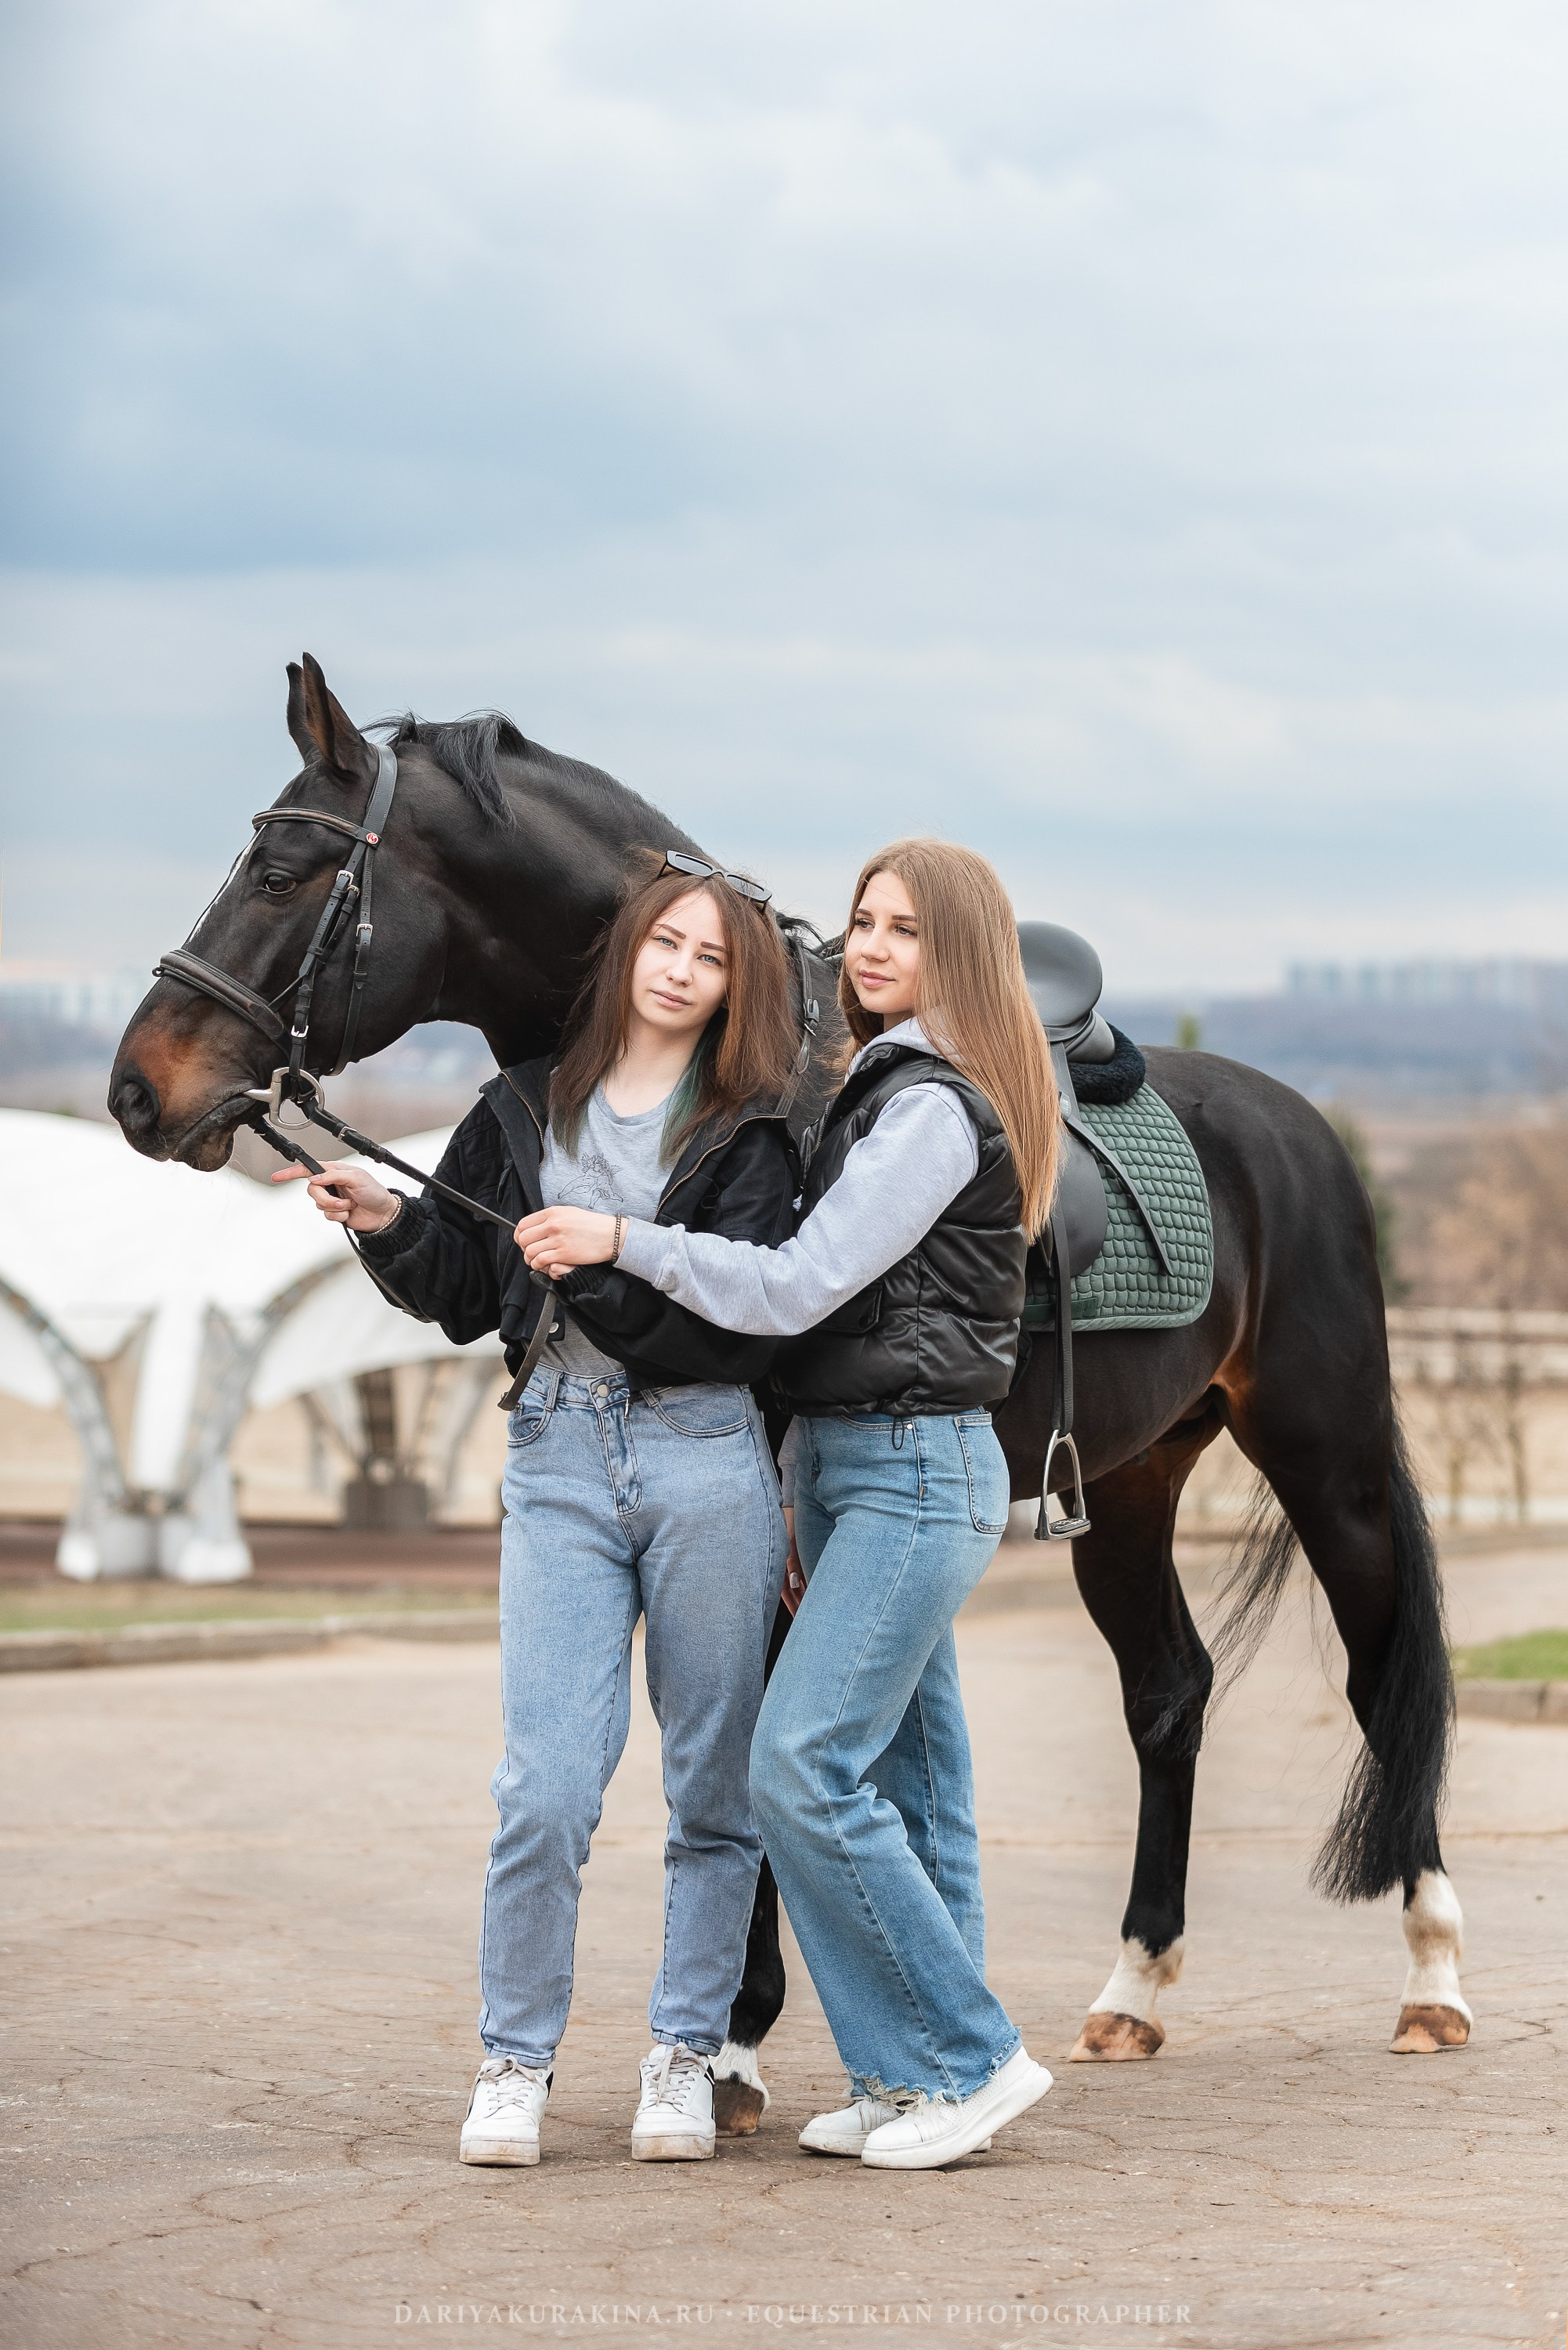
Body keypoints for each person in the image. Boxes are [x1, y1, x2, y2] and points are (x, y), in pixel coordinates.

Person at [517, 837, 1060, 2173]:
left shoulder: (933, 1106)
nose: (870, 949)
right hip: (845, 1464)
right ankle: (901, 2075)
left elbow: (798, 1286)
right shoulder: (882, 1083)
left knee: (795, 1767)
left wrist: (620, 1238)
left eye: (908, 932)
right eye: (863, 923)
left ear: (963, 957)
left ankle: (971, 2059)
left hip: (912, 1468)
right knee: (906, 1781)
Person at [279, 852, 800, 2168]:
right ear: (627, 950)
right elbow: (468, 1288)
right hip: (557, 1454)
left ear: (737, 985)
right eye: (665, 945)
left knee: (713, 1791)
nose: (681, 971)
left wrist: (595, 1250)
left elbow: (735, 1325)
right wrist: (387, 1219)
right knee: (545, 1792)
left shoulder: (753, 1129)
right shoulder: (517, 1107)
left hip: (704, 1457)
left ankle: (684, 2058)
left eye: (712, 957)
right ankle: (512, 2064)